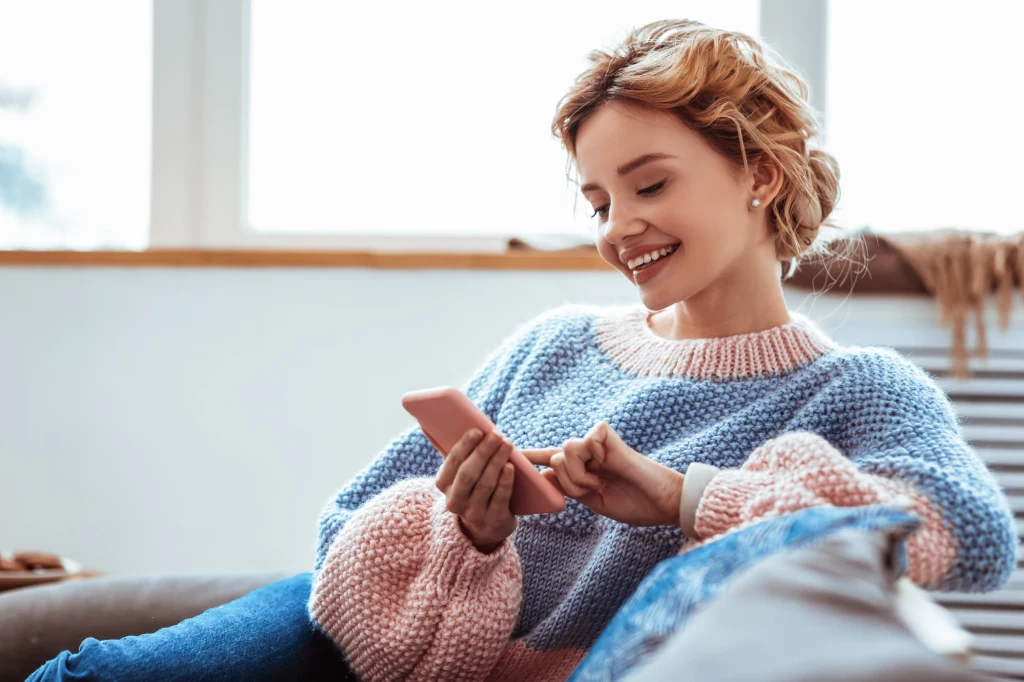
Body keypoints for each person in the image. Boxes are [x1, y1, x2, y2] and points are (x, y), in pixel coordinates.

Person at [29, 18, 1017, 682]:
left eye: (649, 183)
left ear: (756, 173)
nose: (618, 225)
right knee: (90, 672)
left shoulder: (857, 390)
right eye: (596, 201)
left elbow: (968, 539)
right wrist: (466, 532)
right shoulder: (548, 344)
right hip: (390, 649)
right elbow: (341, 533)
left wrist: (682, 498)